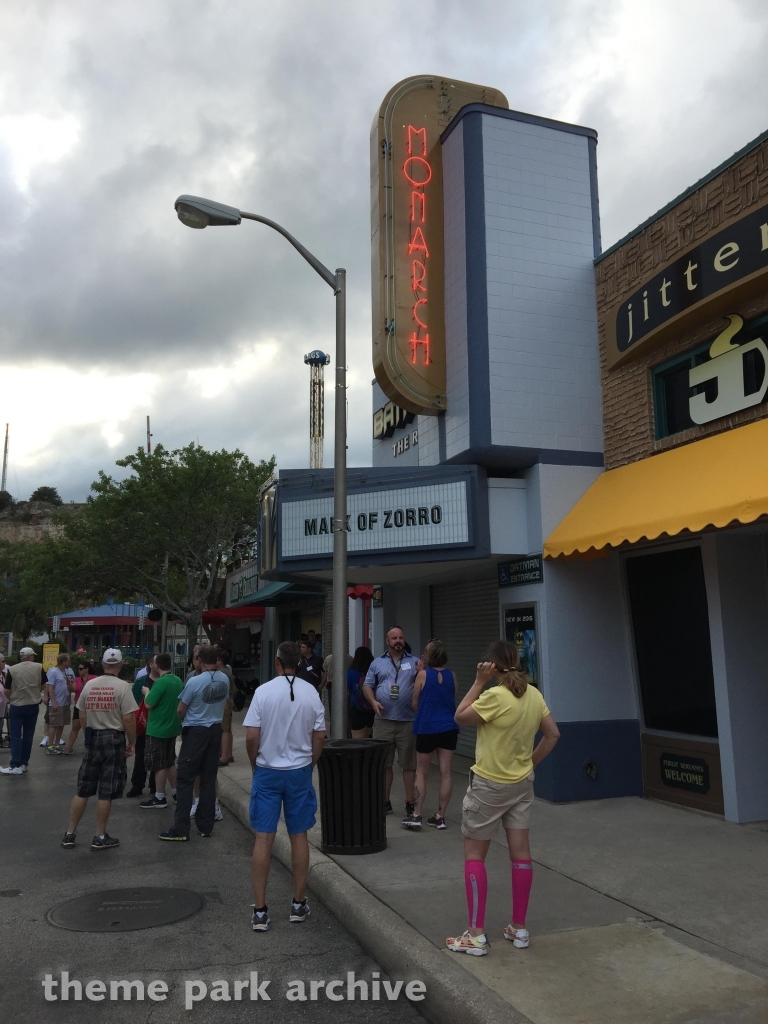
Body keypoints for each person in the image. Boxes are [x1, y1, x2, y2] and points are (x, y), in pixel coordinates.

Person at [446, 640, 560, 956]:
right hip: (522, 785)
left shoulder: (495, 696)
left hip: (489, 786)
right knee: (521, 855)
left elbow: (460, 716)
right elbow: (553, 734)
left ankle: (476, 935)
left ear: (493, 665)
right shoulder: (534, 695)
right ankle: (519, 928)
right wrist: (530, 762)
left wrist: (480, 681)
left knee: (474, 855)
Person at [244, 641, 325, 932]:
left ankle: (261, 910)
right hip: (299, 771)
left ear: (277, 663)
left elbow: (252, 736)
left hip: (267, 770)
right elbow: (319, 736)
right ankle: (298, 902)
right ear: (299, 663)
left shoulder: (262, 692)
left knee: (263, 838)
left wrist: (255, 764)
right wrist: (310, 763)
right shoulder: (312, 693)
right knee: (298, 834)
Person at [60, 648, 138, 850]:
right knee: (106, 790)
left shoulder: (90, 685)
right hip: (113, 738)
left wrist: (88, 735)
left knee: (83, 788)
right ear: (120, 665)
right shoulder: (123, 687)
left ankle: (70, 833)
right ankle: (99, 836)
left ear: (103, 665)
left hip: (93, 736)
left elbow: (82, 713)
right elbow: (129, 718)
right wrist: (132, 742)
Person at [159, 645, 229, 842]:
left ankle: (181, 828)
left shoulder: (195, 682)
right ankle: (206, 826)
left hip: (196, 729)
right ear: (216, 661)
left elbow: (181, 709)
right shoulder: (224, 679)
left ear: (199, 660)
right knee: (208, 778)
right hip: (215, 728)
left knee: (185, 779)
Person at [362, 626, 419, 816]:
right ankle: (384, 801)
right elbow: (367, 686)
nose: (398, 641)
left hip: (407, 721)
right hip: (383, 721)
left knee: (409, 764)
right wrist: (373, 701)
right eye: (394, 638)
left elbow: (423, 685)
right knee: (384, 764)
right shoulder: (377, 663)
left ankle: (410, 802)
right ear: (387, 641)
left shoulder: (414, 662)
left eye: (401, 637)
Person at [405, 638, 459, 830]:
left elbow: (414, 703)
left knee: (421, 771)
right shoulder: (452, 675)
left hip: (427, 726)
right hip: (449, 727)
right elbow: (451, 698)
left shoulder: (422, 675)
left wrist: (421, 673)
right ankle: (440, 816)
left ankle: (417, 813)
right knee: (446, 772)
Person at [140, 652, 184, 809]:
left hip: (157, 728)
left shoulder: (160, 683)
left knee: (159, 764)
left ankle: (159, 797)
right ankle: (176, 791)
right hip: (172, 726)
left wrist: (146, 692)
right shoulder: (177, 680)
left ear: (157, 666)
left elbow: (149, 704)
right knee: (169, 760)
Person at [0, 647, 46, 775]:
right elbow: (43, 685)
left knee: (15, 735)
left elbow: (6, 690)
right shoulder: (38, 667)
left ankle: (15, 764)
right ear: (30, 656)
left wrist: (12, 699)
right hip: (33, 704)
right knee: (28, 735)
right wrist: (36, 694)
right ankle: (24, 763)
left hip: (17, 704)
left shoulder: (12, 669)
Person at [126, 655, 159, 797]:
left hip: (158, 725)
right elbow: (133, 703)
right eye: (157, 662)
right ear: (150, 664)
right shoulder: (141, 682)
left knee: (157, 757)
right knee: (141, 756)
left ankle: (155, 785)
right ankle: (137, 785)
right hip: (143, 725)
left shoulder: (164, 682)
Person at [43, 653, 73, 754]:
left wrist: (69, 681)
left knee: (61, 724)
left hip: (65, 702)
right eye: (68, 661)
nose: (70, 662)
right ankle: (50, 746)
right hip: (57, 702)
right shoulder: (53, 672)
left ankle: (56, 744)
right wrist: (53, 702)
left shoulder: (66, 671)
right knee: (54, 725)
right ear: (63, 661)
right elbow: (50, 688)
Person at [63, 663, 97, 754]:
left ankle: (88, 745)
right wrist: (69, 682)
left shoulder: (94, 678)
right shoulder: (77, 679)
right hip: (79, 705)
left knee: (90, 726)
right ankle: (69, 747)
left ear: (87, 669)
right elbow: (73, 689)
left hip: (91, 706)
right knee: (75, 726)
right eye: (78, 669)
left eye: (81, 669)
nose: (79, 670)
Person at [347, 647, 374, 738]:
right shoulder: (372, 671)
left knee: (357, 739)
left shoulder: (351, 672)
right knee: (369, 737)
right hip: (371, 706)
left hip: (356, 707)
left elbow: (346, 687)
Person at [216, 646, 236, 767]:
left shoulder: (222, 673)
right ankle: (228, 754)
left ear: (221, 661)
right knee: (228, 729)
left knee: (224, 729)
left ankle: (224, 757)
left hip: (224, 702)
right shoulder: (228, 671)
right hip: (229, 700)